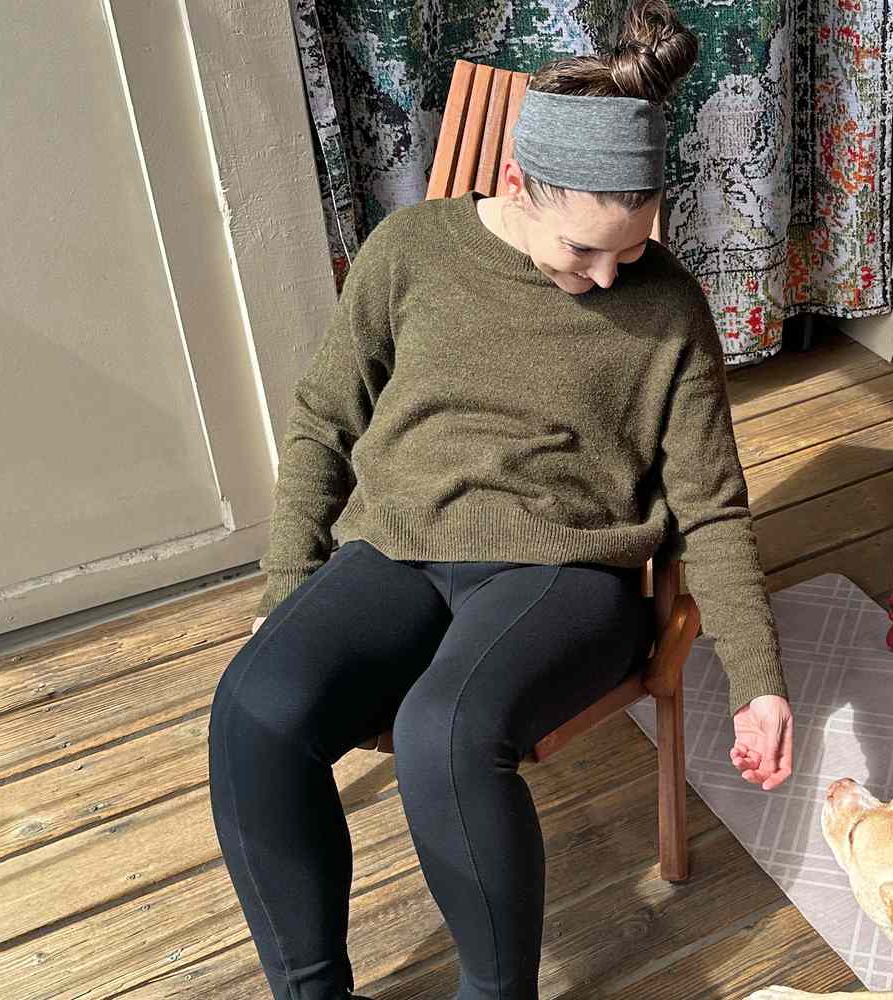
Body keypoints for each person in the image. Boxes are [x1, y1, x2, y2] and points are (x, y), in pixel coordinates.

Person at [208, 4, 794, 999]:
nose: (609, 275)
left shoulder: (670, 308)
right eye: (583, 251)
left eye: (633, 250)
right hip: (398, 547)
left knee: (445, 732)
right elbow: (321, 421)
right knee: (254, 708)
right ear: (516, 182)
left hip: (564, 573)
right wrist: (286, 582)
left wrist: (759, 679)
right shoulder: (413, 251)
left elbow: (714, 505)